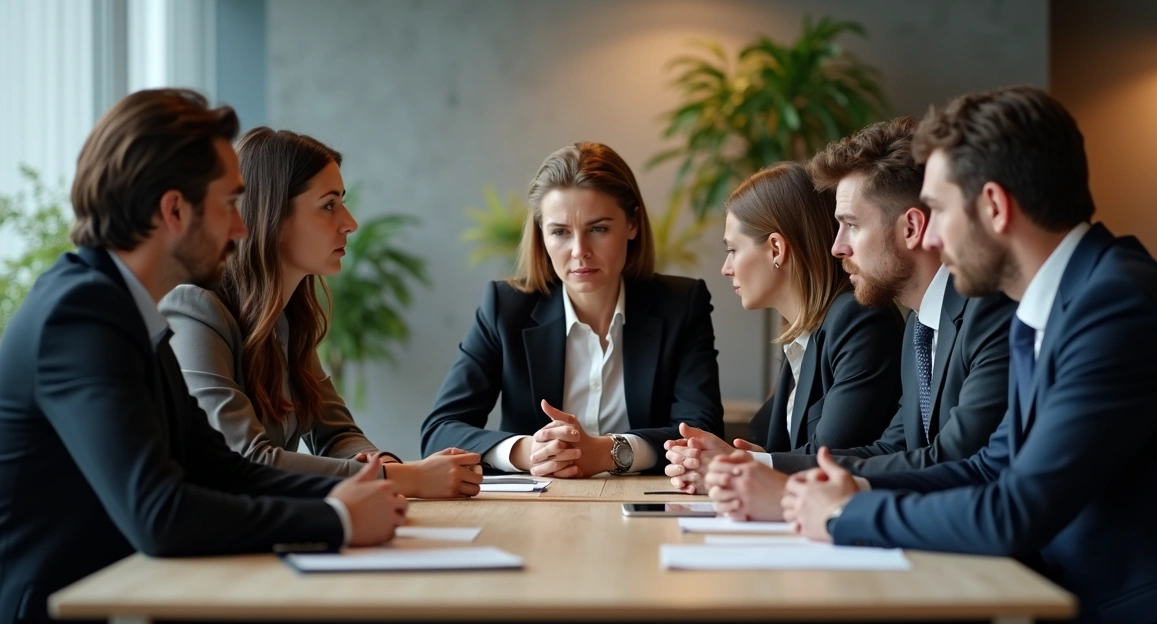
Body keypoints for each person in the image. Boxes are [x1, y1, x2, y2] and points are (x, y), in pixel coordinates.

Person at [782, 86, 1157, 623]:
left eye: (938, 210)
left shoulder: (1118, 306)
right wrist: (853, 487)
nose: (932, 236)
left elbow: (1016, 511)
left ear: (993, 206)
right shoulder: (1057, 299)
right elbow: (993, 464)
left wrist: (846, 512)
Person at [0, 89, 406, 623]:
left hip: (119, 595)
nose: (242, 229)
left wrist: (363, 490)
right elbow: (160, 514)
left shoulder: (125, 307)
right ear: (173, 210)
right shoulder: (80, 315)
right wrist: (336, 520)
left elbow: (220, 467)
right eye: (229, 206)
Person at [704, 118, 1014, 521]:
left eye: (851, 225)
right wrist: (761, 470)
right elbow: (894, 449)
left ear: (911, 228)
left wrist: (822, 503)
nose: (836, 247)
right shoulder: (920, 329)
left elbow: (955, 459)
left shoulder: (987, 312)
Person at [160, 127, 481, 498]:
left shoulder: (287, 320)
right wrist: (404, 479)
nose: (350, 222)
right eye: (329, 205)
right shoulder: (194, 310)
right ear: (273, 216)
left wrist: (391, 468)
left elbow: (336, 434)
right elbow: (245, 458)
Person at [420, 142, 724, 477]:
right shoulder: (506, 308)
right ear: (541, 235)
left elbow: (701, 433)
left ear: (633, 224)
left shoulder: (681, 305)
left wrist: (611, 452)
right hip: (536, 511)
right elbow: (439, 431)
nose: (580, 251)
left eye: (598, 229)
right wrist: (527, 452)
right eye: (561, 232)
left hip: (644, 506)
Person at [665, 161, 904, 494]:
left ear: (776, 248)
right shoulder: (802, 335)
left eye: (733, 250)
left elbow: (831, 457)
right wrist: (718, 460)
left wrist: (736, 464)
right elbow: (778, 450)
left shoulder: (859, 318)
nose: (726, 268)